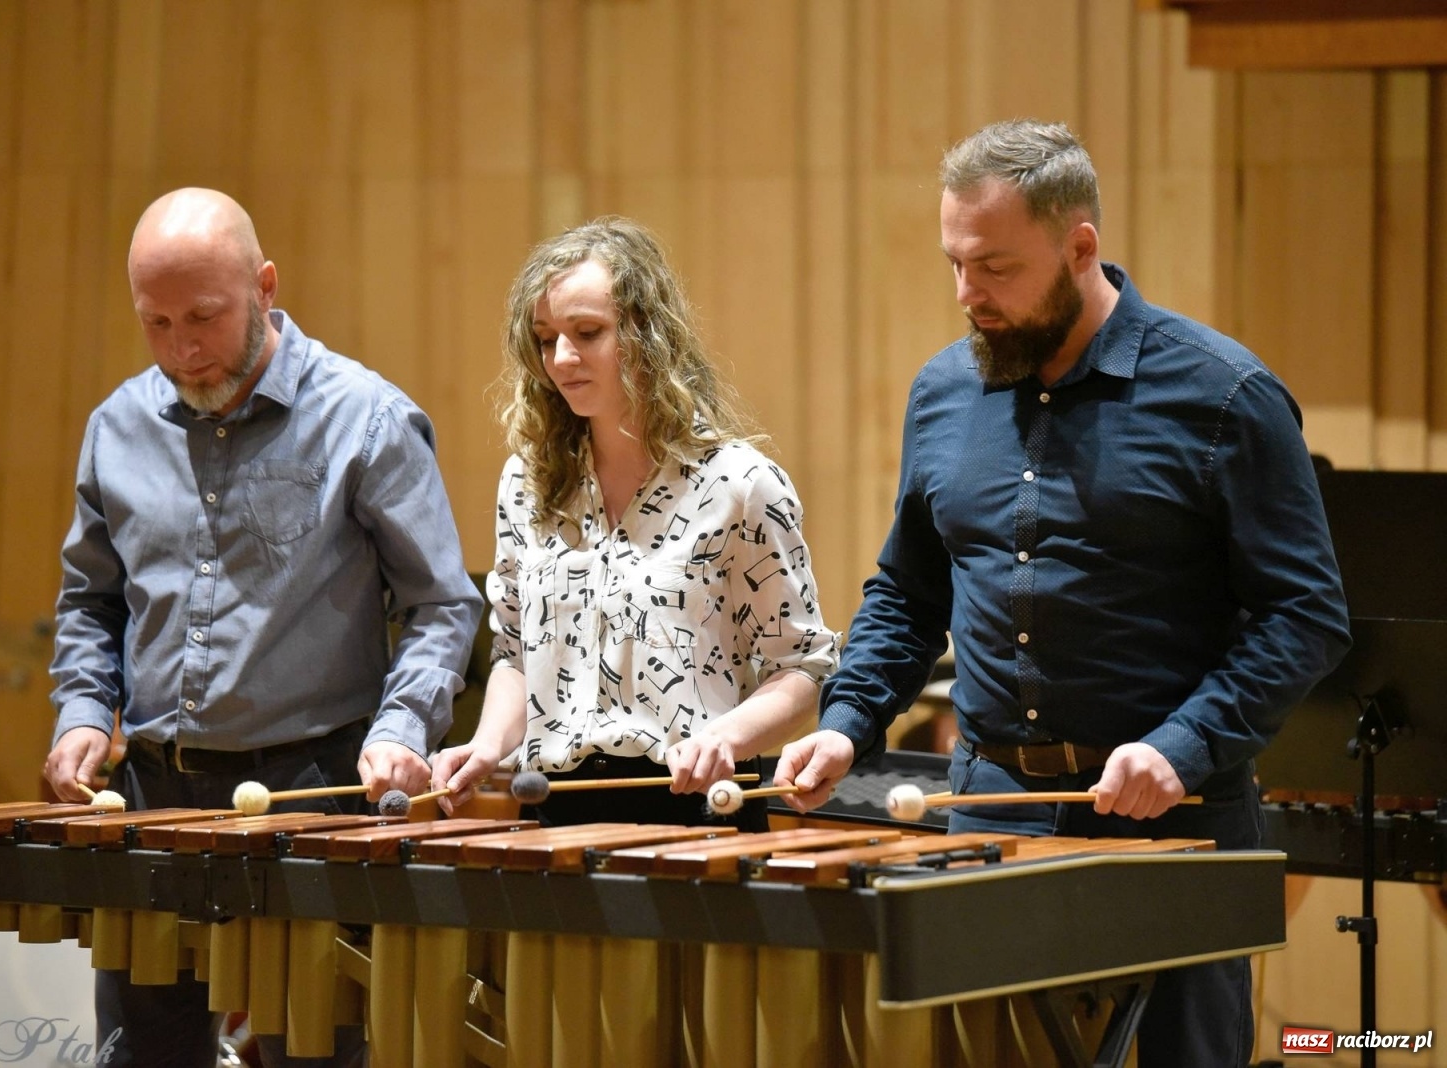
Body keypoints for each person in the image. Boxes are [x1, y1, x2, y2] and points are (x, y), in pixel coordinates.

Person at [773, 121, 1351, 1067]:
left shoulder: (1223, 395)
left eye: (995, 268)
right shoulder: (943, 393)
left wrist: (1185, 745)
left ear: (1080, 247)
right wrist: (847, 722)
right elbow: (911, 593)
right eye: (955, 264)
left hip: (1176, 824)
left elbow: (1305, 615)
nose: (969, 296)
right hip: (990, 812)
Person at [41, 188, 482, 1068]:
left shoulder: (367, 418)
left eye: (204, 316)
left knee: (310, 1058)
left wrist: (404, 730)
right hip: (155, 799)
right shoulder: (116, 428)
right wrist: (83, 711)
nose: (183, 348)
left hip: (313, 792)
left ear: (266, 285)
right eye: (156, 323)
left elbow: (440, 605)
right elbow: (91, 602)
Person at [431, 216, 838, 830]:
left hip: (695, 808)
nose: (562, 358)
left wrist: (726, 736)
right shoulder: (529, 484)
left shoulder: (739, 485)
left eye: (587, 333)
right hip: (555, 808)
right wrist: (486, 746)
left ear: (646, 335)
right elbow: (516, 652)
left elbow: (802, 667)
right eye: (545, 339)